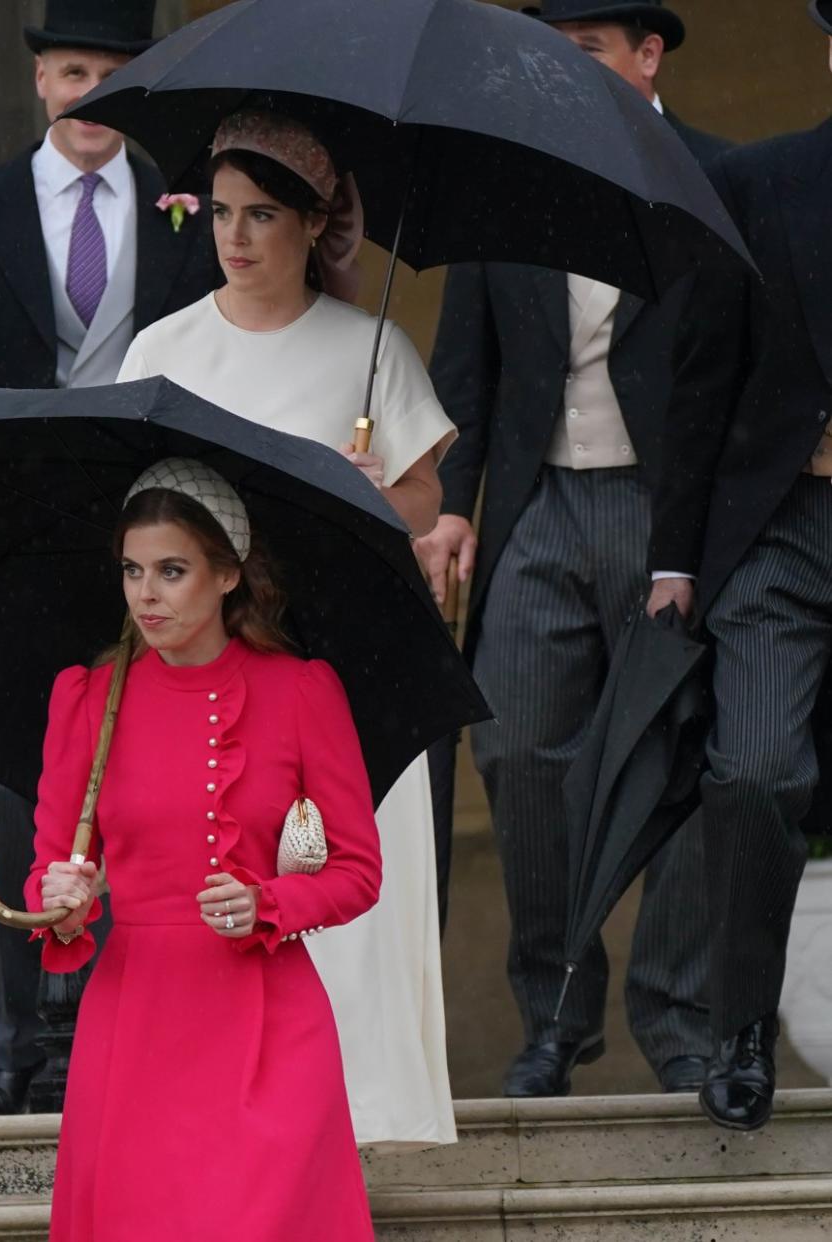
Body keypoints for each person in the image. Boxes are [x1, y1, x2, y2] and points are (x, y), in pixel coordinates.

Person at [0, 0, 217, 1117]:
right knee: (12, 795)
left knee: (138, 787)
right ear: (40, 81)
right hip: (5, 547)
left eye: (114, 75)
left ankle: (106, 1041)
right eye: (73, 71)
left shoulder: (186, 214)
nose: (90, 95)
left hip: (151, 543)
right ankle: (19, 1047)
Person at [118, 110, 458, 1144]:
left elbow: (423, 498)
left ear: (314, 223)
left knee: (330, 878)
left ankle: (360, 1114)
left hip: (334, 660)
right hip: (208, 666)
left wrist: (366, 491)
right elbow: (130, 502)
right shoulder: (160, 349)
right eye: (221, 212)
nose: (237, 236)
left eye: (262, 214)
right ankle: (223, 1113)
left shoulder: (371, 348)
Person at [421, 0, 729, 1098]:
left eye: (590, 48)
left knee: (684, 758)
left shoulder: (718, 178)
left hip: (673, 512)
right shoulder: (511, 181)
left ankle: (680, 1019)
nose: (569, 68)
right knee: (514, 747)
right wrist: (453, 503)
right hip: (539, 506)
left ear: (647, 56)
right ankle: (556, 1014)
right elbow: (468, 364)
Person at [27, 459, 380, 1239]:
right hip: (137, 1021)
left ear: (226, 575)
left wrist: (269, 902)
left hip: (269, 1020)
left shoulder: (300, 691)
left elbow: (358, 872)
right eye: (131, 570)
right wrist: (62, 905)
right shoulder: (88, 697)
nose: (144, 594)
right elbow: (50, 874)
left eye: (171, 571)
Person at [677, 0, 832, 1130]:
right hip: (781, 527)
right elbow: (701, 378)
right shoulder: (761, 182)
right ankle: (738, 1026)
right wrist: (675, 558)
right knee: (755, 771)